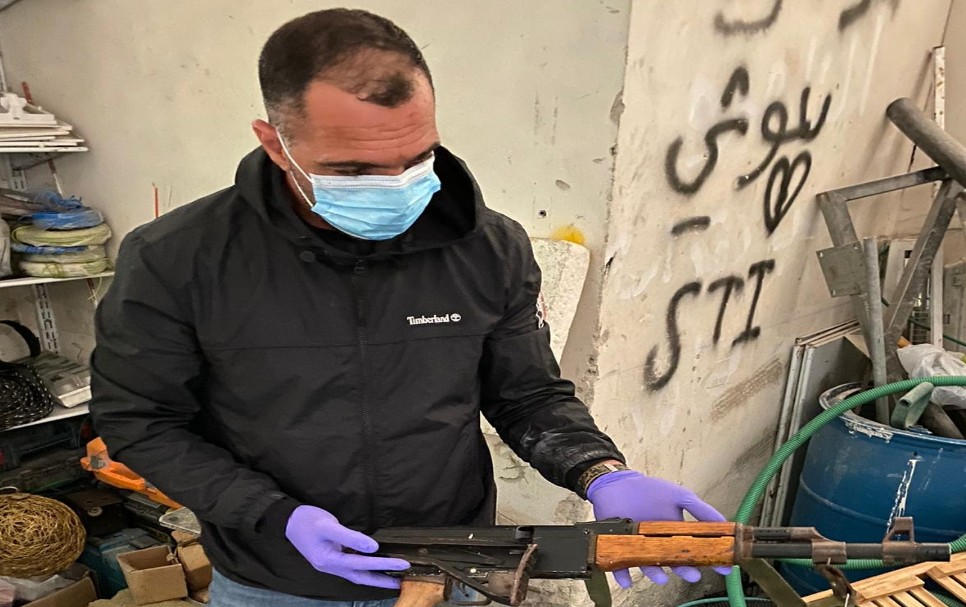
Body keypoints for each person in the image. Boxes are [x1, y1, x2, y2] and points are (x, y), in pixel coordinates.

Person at [90, 8, 731, 607]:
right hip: (276, 578)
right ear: (275, 143)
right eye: (352, 170)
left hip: (451, 565)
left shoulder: (488, 249)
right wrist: (272, 514)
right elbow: (142, 421)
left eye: (417, 158)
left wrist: (601, 472)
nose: (396, 187)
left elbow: (527, 395)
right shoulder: (177, 259)